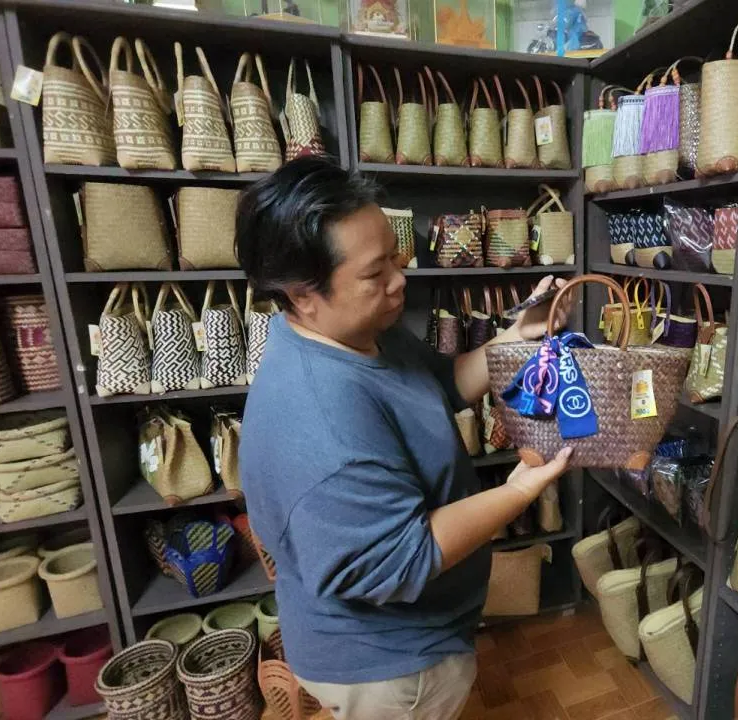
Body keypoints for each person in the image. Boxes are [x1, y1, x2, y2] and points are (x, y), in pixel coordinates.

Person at [235, 157, 572, 720]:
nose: (399, 280)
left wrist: (517, 337)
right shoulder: (321, 416)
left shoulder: (358, 332)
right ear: (302, 293)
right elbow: (405, 556)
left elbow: (438, 386)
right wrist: (519, 490)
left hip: (413, 634)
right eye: (375, 274)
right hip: (387, 667)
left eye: (396, 257)